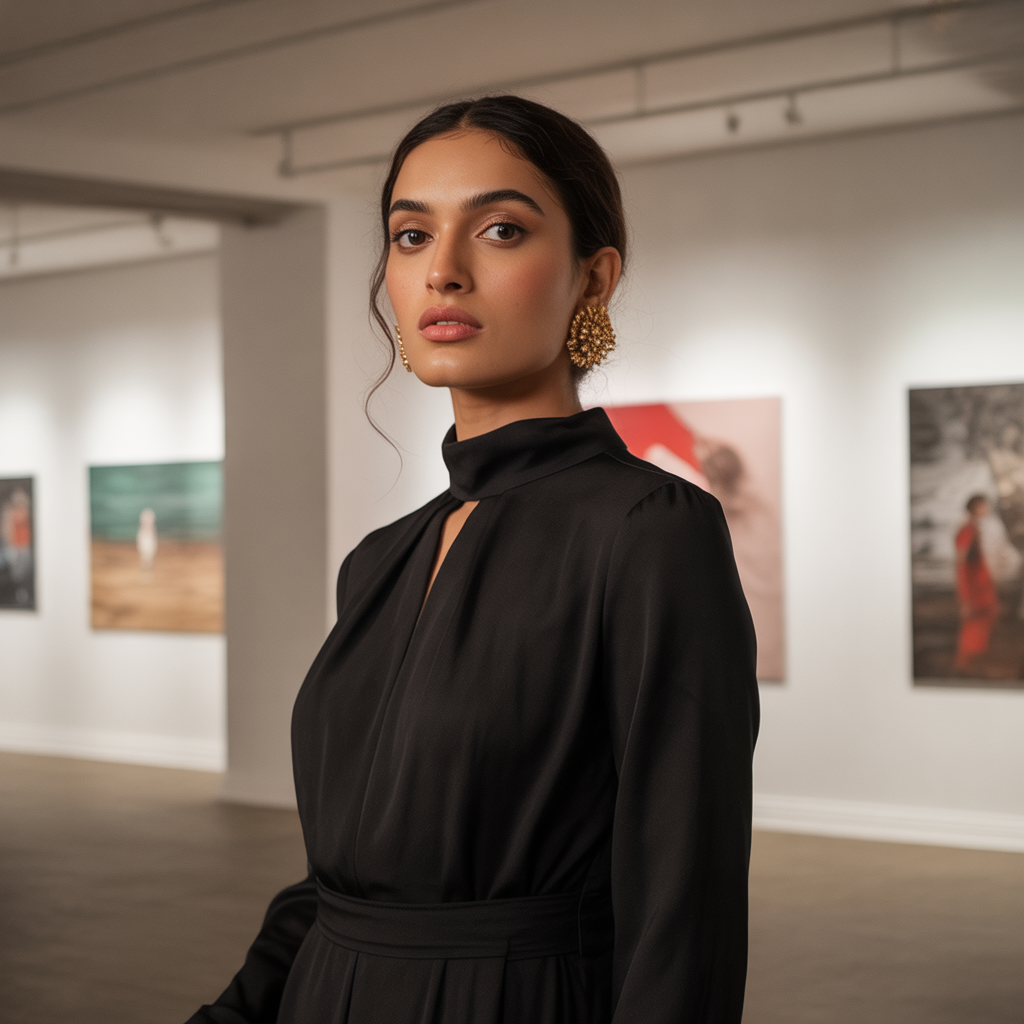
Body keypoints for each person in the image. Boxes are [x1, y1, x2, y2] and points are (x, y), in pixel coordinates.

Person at [187, 95, 759, 1024]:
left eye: (499, 229)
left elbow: (683, 907)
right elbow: (337, 884)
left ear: (592, 278)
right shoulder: (379, 560)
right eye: (410, 236)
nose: (442, 272)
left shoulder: (650, 529)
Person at [954, 493, 1000, 672]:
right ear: (975, 508)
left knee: (984, 622)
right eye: (984, 505)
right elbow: (961, 565)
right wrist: (964, 596)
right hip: (974, 589)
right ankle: (965, 665)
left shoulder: (974, 529)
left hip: (981, 587)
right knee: (973, 624)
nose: (987, 509)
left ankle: (972, 664)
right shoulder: (967, 531)